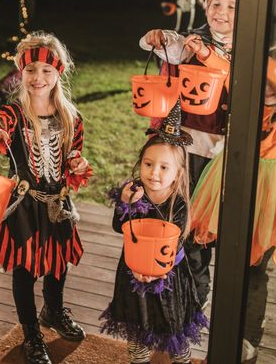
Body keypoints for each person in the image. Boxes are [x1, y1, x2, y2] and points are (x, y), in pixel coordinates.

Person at [188, 43, 276, 362]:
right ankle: (221, 328)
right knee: (228, 262)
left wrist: (260, 62)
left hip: (273, 194)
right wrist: (205, 55)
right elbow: (234, 75)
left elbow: (271, 78)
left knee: (255, 271)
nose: (269, 87)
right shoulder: (250, 98)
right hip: (234, 180)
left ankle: (247, 340)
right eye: (264, 81)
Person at [0, 31, 92, 364]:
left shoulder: (72, 118)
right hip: (24, 206)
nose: (38, 78)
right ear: (20, 73)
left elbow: (74, 158)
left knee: (58, 264)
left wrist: (77, 163)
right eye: (30, 70)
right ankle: (31, 332)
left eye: (46, 70)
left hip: (58, 205)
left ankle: (53, 311)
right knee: (25, 271)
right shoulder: (14, 113)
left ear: (59, 73)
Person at [139, 0, 238, 308]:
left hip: (223, 158)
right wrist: (160, 37)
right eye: (215, 4)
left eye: (232, 6)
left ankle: (197, 300)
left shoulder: (247, 52)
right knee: (183, 222)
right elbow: (167, 45)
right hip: (186, 150)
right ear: (205, 5)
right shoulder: (193, 42)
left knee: (209, 231)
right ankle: (177, 297)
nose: (221, 12)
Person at [100, 104, 208, 364]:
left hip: (169, 279)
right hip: (133, 274)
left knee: (174, 333)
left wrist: (154, 271)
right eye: (148, 164)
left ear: (178, 173)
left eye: (163, 167)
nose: (154, 173)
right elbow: (119, 226)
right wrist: (125, 204)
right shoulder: (135, 193)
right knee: (138, 331)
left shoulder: (178, 205)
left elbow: (170, 242)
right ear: (141, 164)